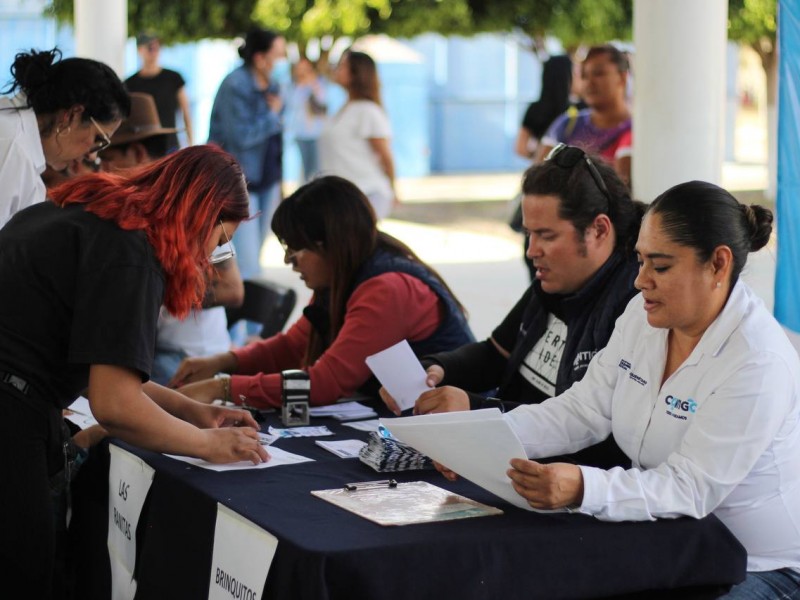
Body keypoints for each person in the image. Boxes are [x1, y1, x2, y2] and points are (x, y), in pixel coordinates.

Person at [489, 181, 798, 598]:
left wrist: (584, 487)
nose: (640, 281)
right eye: (639, 261)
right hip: (673, 541)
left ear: (718, 265)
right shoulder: (643, 315)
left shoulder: (758, 359)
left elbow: (690, 488)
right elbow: (583, 410)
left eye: (661, 266)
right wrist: (481, 437)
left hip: (758, 564)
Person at [0, 145, 269, 596]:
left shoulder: (94, 215)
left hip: (21, 401)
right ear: (200, 213)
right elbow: (115, 405)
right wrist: (206, 444)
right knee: (23, 573)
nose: (213, 256)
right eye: (220, 240)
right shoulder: (131, 250)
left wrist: (187, 409)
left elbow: (101, 370)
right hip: (12, 412)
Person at [382, 144, 645, 469]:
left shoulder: (633, 307)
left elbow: (585, 430)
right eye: (528, 234)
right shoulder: (556, 281)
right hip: (510, 460)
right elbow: (496, 352)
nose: (531, 250)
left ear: (599, 230)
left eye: (546, 236)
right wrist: (437, 370)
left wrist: (475, 411)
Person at [170, 175, 475, 408]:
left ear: (327, 245)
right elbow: (293, 346)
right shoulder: (341, 275)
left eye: (294, 250)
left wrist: (223, 387)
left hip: (454, 423)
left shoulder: (387, 289)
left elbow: (325, 384)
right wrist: (223, 362)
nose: (290, 262)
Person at [100, 92, 244, 385]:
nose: (101, 168)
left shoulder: (195, 206)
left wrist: (159, 295)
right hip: (152, 348)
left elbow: (232, 290)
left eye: (108, 158)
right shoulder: (135, 206)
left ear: (138, 153)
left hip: (184, 355)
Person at [0, 48, 129, 229]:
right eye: (98, 139)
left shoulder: (18, 140)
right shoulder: (12, 146)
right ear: (72, 115)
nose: (92, 156)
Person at [208, 28, 286, 283]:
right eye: (278, 55)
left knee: (255, 258)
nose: (282, 61)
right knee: (247, 264)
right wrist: (272, 115)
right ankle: (247, 320)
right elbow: (241, 136)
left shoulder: (272, 86)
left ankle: (249, 320)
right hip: (239, 183)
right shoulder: (236, 84)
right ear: (260, 57)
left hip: (267, 180)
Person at [536, 45, 632, 187]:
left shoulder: (636, 130)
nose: (589, 82)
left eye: (599, 73)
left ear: (622, 77)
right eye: (584, 76)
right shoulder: (567, 124)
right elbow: (537, 179)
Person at [318, 49, 397, 219]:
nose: (337, 69)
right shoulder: (344, 108)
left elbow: (386, 157)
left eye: (342, 66)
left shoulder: (368, 111)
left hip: (367, 195)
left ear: (357, 73)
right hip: (343, 197)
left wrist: (394, 190)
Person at [125, 32, 193, 151]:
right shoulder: (129, 84)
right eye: (150, 48)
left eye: (157, 47)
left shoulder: (173, 78)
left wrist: (191, 144)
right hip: (141, 149)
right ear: (140, 50)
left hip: (170, 146)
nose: (154, 51)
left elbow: (186, 112)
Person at [289, 57, 327, 182]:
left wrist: (313, 84)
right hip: (300, 133)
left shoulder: (317, 84)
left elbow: (322, 104)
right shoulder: (293, 87)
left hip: (315, 133)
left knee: (316, 169)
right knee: (306, 170)